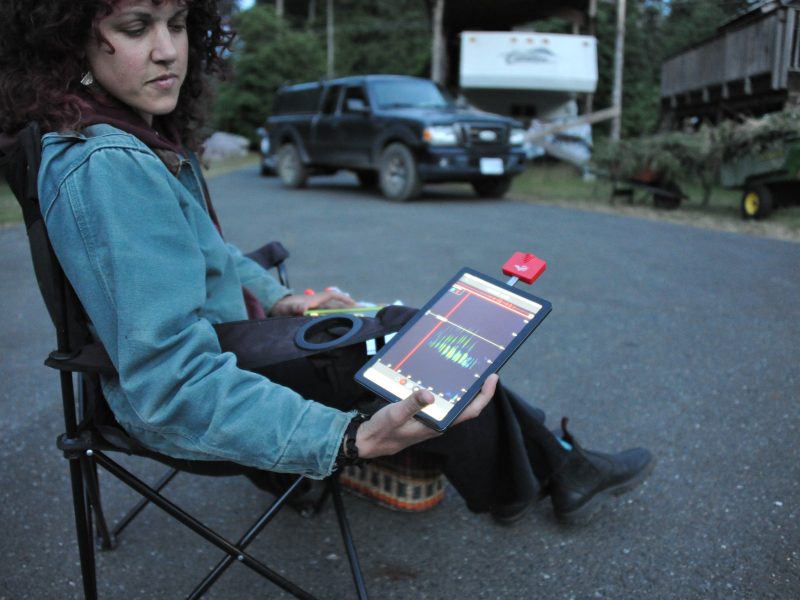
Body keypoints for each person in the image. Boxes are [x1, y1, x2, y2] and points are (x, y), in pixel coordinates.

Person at [0, 0, 654, 527]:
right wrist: (346, 440)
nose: (169, 49)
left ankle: (551, 467)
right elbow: (169, 384)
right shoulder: (109, 165)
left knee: (413, 333)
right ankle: (544, 473)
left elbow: (207, 254)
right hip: (196, 388)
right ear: (72, 42)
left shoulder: (130, 137)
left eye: (177, 23)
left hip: (228, 349)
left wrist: (279, 299)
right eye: (135, 27)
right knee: (419, 342)